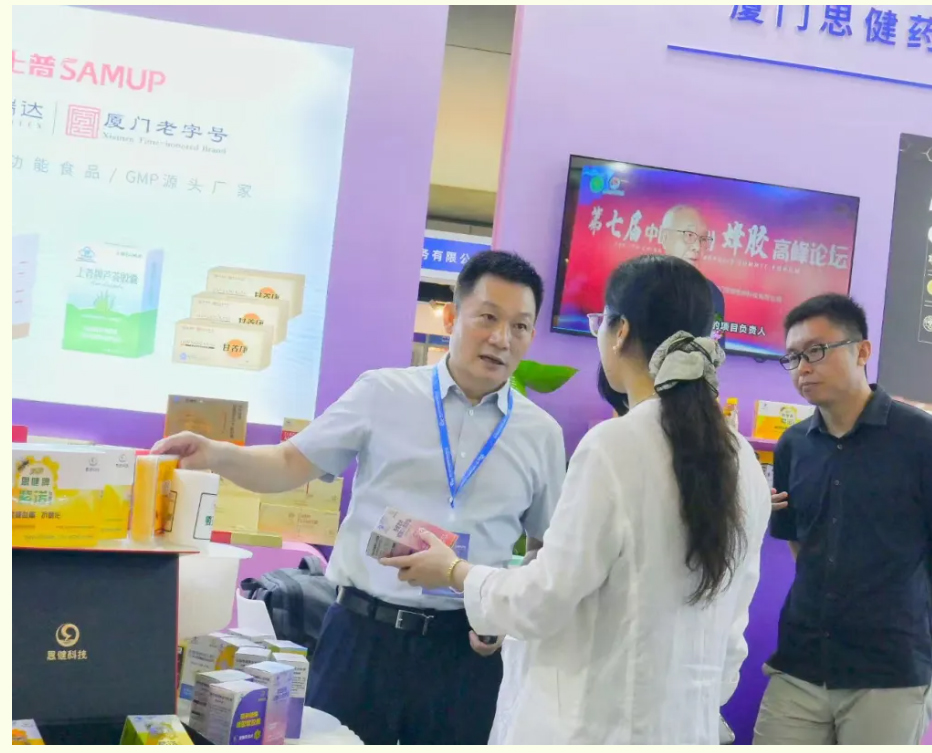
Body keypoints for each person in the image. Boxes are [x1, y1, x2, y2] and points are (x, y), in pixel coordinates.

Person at [153, 251, 567, 745]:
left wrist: (502, 614)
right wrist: (216, 454)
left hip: (463, 653)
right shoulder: (382, 394)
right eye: (488, 318)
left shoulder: (541, 434)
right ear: (452, 317)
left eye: (520, 326)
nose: (502, 338)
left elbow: (547, 548)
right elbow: (289, 462)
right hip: (362, 637)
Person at [381, 254, 772, 744]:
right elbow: (733, 633)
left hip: (593, 727)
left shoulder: (616, 445)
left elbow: (544, 599)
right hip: (684, 729)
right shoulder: (743, 462)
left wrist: (456, 572)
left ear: (620, 331)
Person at [753, 294, 932, 745]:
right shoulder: (793, 445)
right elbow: (802, 543)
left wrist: (920, 629)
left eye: (816, 351)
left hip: (888, 674)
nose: (803, 368)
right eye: (793, 357)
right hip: (801, 663)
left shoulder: (924, 439)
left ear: (862, 351)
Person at [659, 204, 726, 325]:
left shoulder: (712, 294)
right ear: (664, 237)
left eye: (703, 239)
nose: (697, 247)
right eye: (689, 235)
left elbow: (715, 336)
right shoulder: (639, 284)